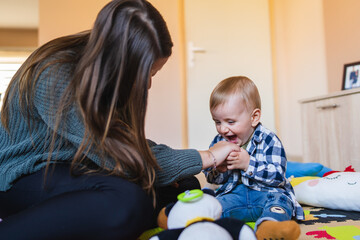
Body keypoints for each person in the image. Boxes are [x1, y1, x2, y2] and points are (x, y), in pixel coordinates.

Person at [0, 1, 240, 239]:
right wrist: (206, 156)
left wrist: (178, 167)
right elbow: (122, 159)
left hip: (78, 165)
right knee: (127, 201)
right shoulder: (55, 75)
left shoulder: (109, 80)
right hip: (22, 177)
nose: (148, 85)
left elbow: (126, 145)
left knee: (184, 184)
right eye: (147, 74)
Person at [203, 76, 304, 240]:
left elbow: (278, 176)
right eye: (217, 122)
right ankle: (198, 223)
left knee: (280, 203)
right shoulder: (218, 142)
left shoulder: (269, 139)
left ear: (254, 117)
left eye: (230, 121)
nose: (222, 129)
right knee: (213, 206)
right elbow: (213, 180)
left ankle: (270, 227)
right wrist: (218, 168)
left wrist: (248, 164)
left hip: (267, 194)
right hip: (234, 195)